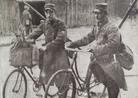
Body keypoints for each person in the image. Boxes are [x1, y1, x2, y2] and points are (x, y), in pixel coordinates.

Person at [66, 3, 127, 98]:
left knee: (112, 87)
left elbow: (113, 45)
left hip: (110, 63)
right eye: (95, 13)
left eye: (99, 13)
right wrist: (73, 44)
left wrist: (95, 49)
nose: (96, 16)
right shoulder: (97, 26)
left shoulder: (112, 28)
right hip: (98, 61)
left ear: (105, 13)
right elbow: (87, 38)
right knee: (101, 78)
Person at [26, 3, 70, 98]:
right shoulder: (44, 24)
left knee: (61, 79)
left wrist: (48, 46)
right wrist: (24, 39)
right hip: (49, 54)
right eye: (47, 12)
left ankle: (63, 93)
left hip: (59, 53)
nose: (49, 15)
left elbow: (60, 39)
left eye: (51, 12)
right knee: (46, 76)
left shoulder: (60, 23)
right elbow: (34, 33)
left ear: (55, 12)